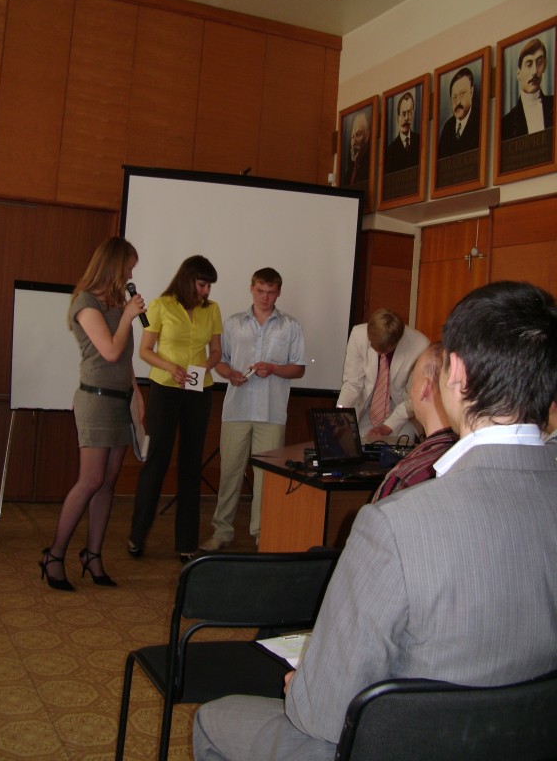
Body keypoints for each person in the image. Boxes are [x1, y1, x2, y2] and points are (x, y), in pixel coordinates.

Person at [193, 280, 557, 761]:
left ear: (456, 375)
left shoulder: (393, 525)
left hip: (401, 746)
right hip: (525, 741)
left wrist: (303, 687)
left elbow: (322, 715)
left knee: (213, 719)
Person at [39, 237, 147, 591]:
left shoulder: (117, 303)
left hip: (120, 400)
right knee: (90, 480)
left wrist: (137, 394)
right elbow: (110, 351)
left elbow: (124, 359)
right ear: (114, 265)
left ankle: (93, 555)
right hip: (96, 401)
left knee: (108, 482)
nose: (131, 274)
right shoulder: (86, 303)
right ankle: (54, 555)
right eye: (129, 267)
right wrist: (128, 316)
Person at [199, 268, 305, 551]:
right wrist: (230, 374)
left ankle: (262, 534)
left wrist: (273, 369)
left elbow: (299, 368)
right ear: (251, 288)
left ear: (278, 292)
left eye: (270, 292)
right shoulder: (233, 323)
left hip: (272, 413)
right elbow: (221, 361)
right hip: (237, 409)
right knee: (229, 473)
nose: (265, 297)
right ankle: (222, 532)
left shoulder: (290, 326)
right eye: (260, 291)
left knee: (266, 480)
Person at [128, 256, 222, 563]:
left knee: (191, 464)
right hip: (165, 389)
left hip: (199, 390)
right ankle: (137, 536)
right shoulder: (161, 305)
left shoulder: (212, 309)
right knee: (156, 460)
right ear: (188, 279)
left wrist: (204, 367)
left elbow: (216, 351)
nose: (206, 291)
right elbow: (145, 351)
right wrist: (171, 367)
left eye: (208, 286)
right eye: (202, 284)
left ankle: (186, 543)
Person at [370, 342, 458, 502]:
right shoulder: (471, 457)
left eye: (413, 381)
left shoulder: (405, 479)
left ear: (425, 388)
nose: (411, 390)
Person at [337, 308, 429, 440]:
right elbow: (352, 383)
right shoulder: (358, 335)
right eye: (373, 346)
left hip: (402, 409)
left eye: (382, 350)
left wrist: (388, 426)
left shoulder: (420, 346)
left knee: (400, 444)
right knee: (357, 443)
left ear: (396, 342)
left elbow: (412, 398)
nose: (377, 352)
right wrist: (341, 414)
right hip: (368, 405)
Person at [502, 37, 555, 139]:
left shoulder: (554, 104)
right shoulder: (507, 122)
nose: (534, 71)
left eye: (539, 62)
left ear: (545, 65)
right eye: (529, 64)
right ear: (519, 73)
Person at [437, 67, 480, 158]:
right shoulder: (447, 128)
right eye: (454, 97)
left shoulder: (481, 120)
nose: (458, 102)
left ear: (471, 92)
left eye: (462, 94)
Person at [384, 91, 420, 173]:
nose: (406, 118)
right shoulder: (390, 151)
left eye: (409, 113)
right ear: (398, 118)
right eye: (403, 114)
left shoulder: (420, 141)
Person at [342, 110, 371, 189]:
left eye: (358, 134)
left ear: (367, 136)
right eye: (352, 137)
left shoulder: (370, 168)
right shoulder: (348, 174)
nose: (353, 142)